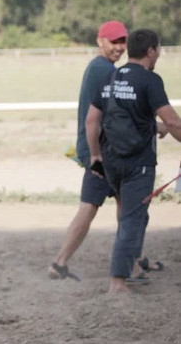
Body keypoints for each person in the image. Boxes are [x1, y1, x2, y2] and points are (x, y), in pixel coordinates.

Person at [86, 28, 181, 293]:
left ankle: (135, 267)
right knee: (131, 218)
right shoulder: (150, 80)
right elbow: (172, 121)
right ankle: (118, 281)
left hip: (111, 161)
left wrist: (95, 156)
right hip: (138, 164)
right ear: (151, 51)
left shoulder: (111, 76)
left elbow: (92, 120)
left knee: (135, 215)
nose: (159, 53)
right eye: (158, 48)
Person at [49, 20, 127, 281]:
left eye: (123, 41)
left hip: (101, 150)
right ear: (100, 41)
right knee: (92, 207)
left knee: (120, 203)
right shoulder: (104, 70)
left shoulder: (101, 67)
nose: (119, 47)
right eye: (114, 41)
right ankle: (60, 262)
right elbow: (105, 116)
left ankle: (135, 260)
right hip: (100, 153)